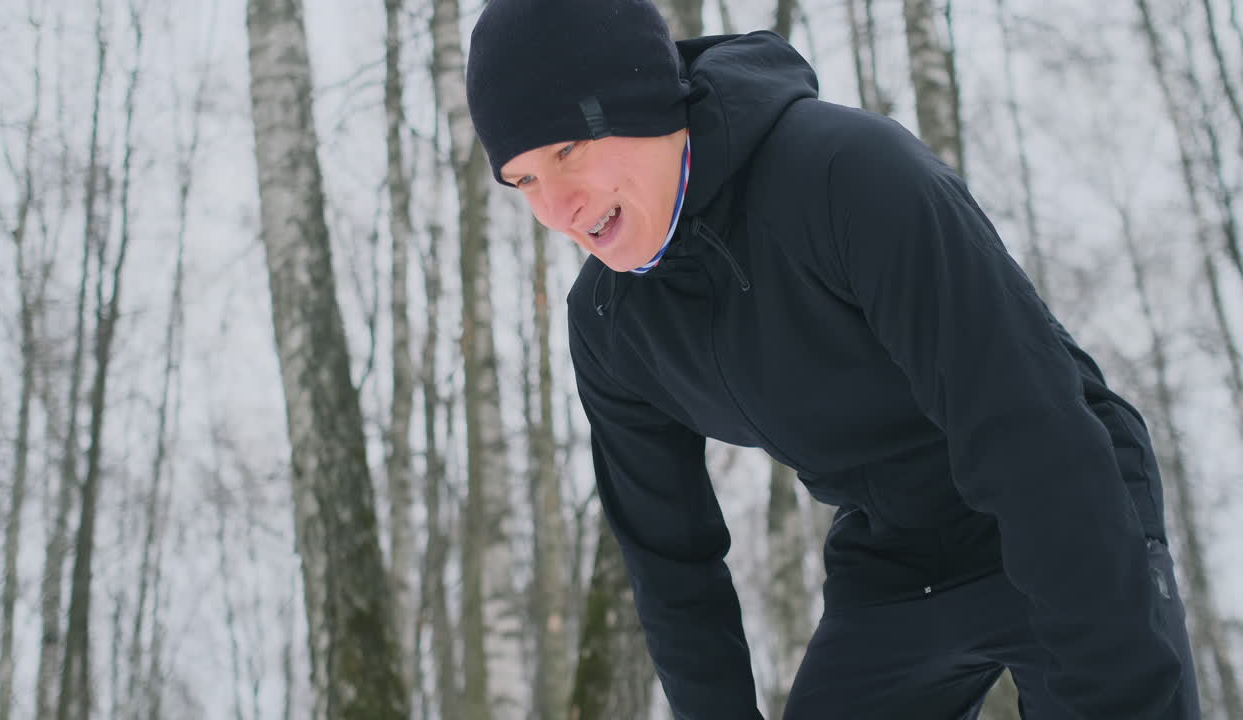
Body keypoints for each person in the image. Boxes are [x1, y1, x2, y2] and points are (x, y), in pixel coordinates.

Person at [464, 1, 1201, 718]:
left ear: (645, 102)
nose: (556, 208)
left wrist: (1120, 691)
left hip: (1063, 511)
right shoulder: (609, 326)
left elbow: (1028, 431)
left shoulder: (847, 175)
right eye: (524, 180)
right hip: (896, 559)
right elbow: (670, 567)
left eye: (568, 149)